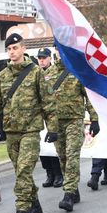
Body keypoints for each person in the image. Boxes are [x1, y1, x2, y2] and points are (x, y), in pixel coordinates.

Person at [0, 33, 55, 213]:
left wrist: (53, 128)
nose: (12, 52)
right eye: (9, 49)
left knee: (24, 170)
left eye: (15, 48)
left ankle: (21, 211)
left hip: (30, 130)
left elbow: (48, 102)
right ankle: (35, 204)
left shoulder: (35, 72)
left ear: (23, 49)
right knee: (20, 171)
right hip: (11, 131)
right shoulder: (3, 76)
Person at [45, 45, 100, 212]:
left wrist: (94, 119)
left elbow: (89, 98)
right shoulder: (48, 74)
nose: (60, 54)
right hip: (55, 123)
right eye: (57, 51)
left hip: (74, 121)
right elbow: (43, 99)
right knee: (63, 157)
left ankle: (68, 193)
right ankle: (74, 189)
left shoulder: (77, 71)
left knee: (72, 155)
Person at [35, 48, 64, 189]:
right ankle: (49, 173)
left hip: (52, 114)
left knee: (53, 147)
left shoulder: (55, 72)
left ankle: (58, 174)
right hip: (40, 115)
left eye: (44, 57)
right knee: (43, 148)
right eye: (39, 58)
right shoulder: (36, 73)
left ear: (49, 58)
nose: (41, 60)